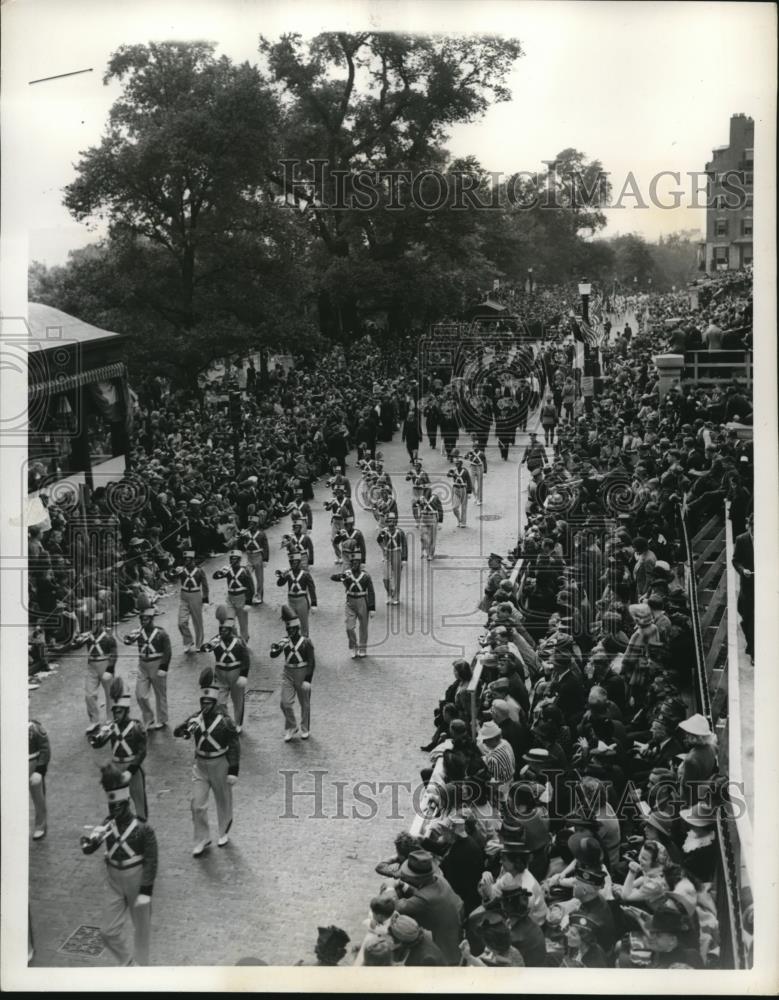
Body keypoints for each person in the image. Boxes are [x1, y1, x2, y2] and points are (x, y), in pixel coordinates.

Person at [80, 763, 158, 966]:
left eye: (119, 806)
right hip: (113, 879)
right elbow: (89, 849)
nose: (115, 810)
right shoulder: (106, 824)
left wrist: (146, 890)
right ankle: (127, 962)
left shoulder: (143, 828)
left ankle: (143, 968)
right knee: (107, 931)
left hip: (137, 877)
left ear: (127, 804)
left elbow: (151, 860)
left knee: (141, 928)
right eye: (111, 806)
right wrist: (90, 842)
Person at [173, 667, 240, 856]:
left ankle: (224, 831)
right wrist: (182, 729)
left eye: (209, 702)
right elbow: (178, 731)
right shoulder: (196, 717)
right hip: (200, 765)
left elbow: (234, 745)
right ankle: (202, 838)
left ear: (215, 701)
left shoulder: (225, 721)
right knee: (197, 804)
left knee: (223, 800)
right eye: (203, 702)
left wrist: (233, 770)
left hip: (220, 763)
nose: (205, 706)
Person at [89, 676, 149, 821]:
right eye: (115, 712)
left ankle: (142, 829)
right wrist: (97, 738)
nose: (117, 715)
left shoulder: (136, 727)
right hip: (116, 768)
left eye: (120, 712)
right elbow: (98, 745)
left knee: (139, 802)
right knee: (116, 802)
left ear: (126, 710)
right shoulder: (111, 727)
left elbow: (142, 752)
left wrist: (131, 770)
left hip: (132, 769)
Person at [393, 849, 464, 965]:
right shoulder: (439, 879)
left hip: (443, 943)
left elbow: (398, 907)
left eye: (410, 876)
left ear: (417, 878)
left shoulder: (424, 899)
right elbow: (424, 891)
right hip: (454, 931)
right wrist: (406, 887)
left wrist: (391, 888)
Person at [124, 605, 171, 732]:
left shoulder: (161, 633)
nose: (143, 622)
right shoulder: (138, 632)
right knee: (140, 695)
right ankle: (148, 719)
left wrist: (164, 666)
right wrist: (130, 637)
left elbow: (167, 651)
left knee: (160, 694)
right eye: (142, 620)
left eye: (146, 619)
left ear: (151, 619)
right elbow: (127, 641)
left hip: (157, 664)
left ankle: (162, 719)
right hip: (142, 665)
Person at [270, 613, 315, 742]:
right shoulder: (284, 641)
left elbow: (311, 662)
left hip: (302, 673)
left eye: (293, 629)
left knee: (304, 704)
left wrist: (308, 679)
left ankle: (305, 728)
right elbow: (274, 655)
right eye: (288, 629)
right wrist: (275, 649)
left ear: (298, 629)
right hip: (288, 673)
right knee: (285, 703)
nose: (291, 632)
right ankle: (292, 725)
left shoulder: (306, 642)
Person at [207, 616, 251, 734]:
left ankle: (238, 724)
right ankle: (226, 722)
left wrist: (243, 675)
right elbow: (206, 648)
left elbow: (246, 659)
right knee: (220, 702)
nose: (222, 632)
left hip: (236, 674)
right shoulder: (216, 641)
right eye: (220, 630)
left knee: (238, 701)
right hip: (220, 675)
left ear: (230, 630)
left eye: (225, 630)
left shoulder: (239, 642)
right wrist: (211, 643)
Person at [331, 552, 376, 659]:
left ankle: (362, 648)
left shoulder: (365, 576)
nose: (354, 564)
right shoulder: (347, 574)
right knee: (349, 628)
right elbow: (333, 577)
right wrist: (342, 576)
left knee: (363, 627)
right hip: (350, 602)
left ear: (360, 563)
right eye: (352, 562)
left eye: (356, 562)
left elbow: (371, 592)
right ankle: (353, 646)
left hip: (362, 601)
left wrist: (372, 607)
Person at [84, 611, 117, 734]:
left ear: (100, 624)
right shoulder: (88, 637)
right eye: (91, 623)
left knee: (110, 694)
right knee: (89, 694)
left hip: (105, 663)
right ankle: (94, 720)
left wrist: (110, 668)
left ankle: (111, 717)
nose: (92, 626)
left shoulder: (108, 637)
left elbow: (114, 653)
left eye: (94, 623)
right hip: (91, 666)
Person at [212, 550, 255, 644]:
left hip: (241, 598)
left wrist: (248, 602)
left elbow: (251, 587)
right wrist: (220, 571)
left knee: (243, 623)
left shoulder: (244, 570)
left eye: (235, 559)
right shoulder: (228, 570)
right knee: (229, 621)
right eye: (231, 559)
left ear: (239, 560)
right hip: (230, 598)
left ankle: (244, 641)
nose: (233, 561)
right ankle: (234, 640)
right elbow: (215, 577)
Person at [276, 550, 318, 637]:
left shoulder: (305, 574)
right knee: (291, 622)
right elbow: (279, 584)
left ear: (299, 562)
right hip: (291, 601)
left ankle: (305, 642)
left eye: (295, 562)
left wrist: (314, 603)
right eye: (291, 562)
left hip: (302, 601)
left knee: (304, 624)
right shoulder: (288, 574)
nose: (293, 564)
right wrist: (282, 576)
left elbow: (312, 589)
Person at [175, 548, 209, 654]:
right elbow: (172, 575)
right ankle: (188, 641)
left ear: (193, 560)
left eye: (189, 559)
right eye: (185, 559)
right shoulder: (182, 570)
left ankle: (199, 643)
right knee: (181, 622)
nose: (186, 561)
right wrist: (175, 571)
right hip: (184, 596)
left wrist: (206, 600)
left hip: (195, 596)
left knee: (197, 622)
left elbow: (205, 585)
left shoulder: (199, 570)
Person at [731, 512, 754, 660]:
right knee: (747, 617)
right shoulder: (741, 539)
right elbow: (735, 560)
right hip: (747, 585)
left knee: (755, 619)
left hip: (763, 585)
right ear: (750, 526)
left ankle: (754, 651)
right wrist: (742, 570)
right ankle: (752, 645)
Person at [376, 510, 408, 606]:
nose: (391, 522)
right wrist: (381, 539)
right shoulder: (384, 531)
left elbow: (405, 545)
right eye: (389, 520)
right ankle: (390, 593)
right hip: (387, 554)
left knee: (396, 576)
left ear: (395, 521)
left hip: (396, 553)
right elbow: (378, 541)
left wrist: (404, 559)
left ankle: (396, 597)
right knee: (385, 578)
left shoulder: (400, 532)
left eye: (392, 521)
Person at [239, 514, 269, 606]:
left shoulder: (261, 534)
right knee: (247, 577)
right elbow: (241, 546)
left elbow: (265, 547)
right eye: (250, 523)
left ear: (256, 524)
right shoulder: (245, 534)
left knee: (259, 579)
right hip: (249, 557)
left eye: (253, 523)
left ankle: (259, 596)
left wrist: (265, 559)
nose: (251, 525)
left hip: (258, 556)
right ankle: (249, 595)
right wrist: (240, 537)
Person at [28, 717, 50, 841]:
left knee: (38, 797)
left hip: (32, 764)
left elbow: (45, 749)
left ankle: (40, 825)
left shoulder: (34, 727)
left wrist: (39, 771)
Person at [414, 485, 444, 561]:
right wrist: (419, 501)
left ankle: (430, 554)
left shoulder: (435, 498)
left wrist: (439, 522)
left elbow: (440, 509)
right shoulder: (421, 499)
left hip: (433, 517)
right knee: (423, 537)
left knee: (432, 538)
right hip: (423, 518)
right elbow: (414, 505)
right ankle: (427, 551)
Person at [448, 451, 473, 528]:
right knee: (454, 507)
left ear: (461, 464)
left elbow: (469, 481)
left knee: (464, 507)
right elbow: (448, 474)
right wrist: (452, 474)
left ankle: (463, 522)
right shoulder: (453, 470)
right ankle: (459, 519)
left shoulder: (465, 471)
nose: (456, 465)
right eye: (455, 464)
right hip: (455, 489)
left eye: (458, 464)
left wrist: (469, 492)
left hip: (463, 489)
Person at [464, 439, 488, 507]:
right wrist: (468, 454)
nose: (474, 448)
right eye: (473, 446)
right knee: (472, 485)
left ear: (478, 447)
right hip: (472, 467)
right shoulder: (470, 452)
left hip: (479, 468)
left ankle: (479, 499)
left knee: (480, 485)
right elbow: (465, 457)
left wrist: (485, 471)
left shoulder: (481, 453)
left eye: (475, 446)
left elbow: (485, 462)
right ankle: (475, 496)